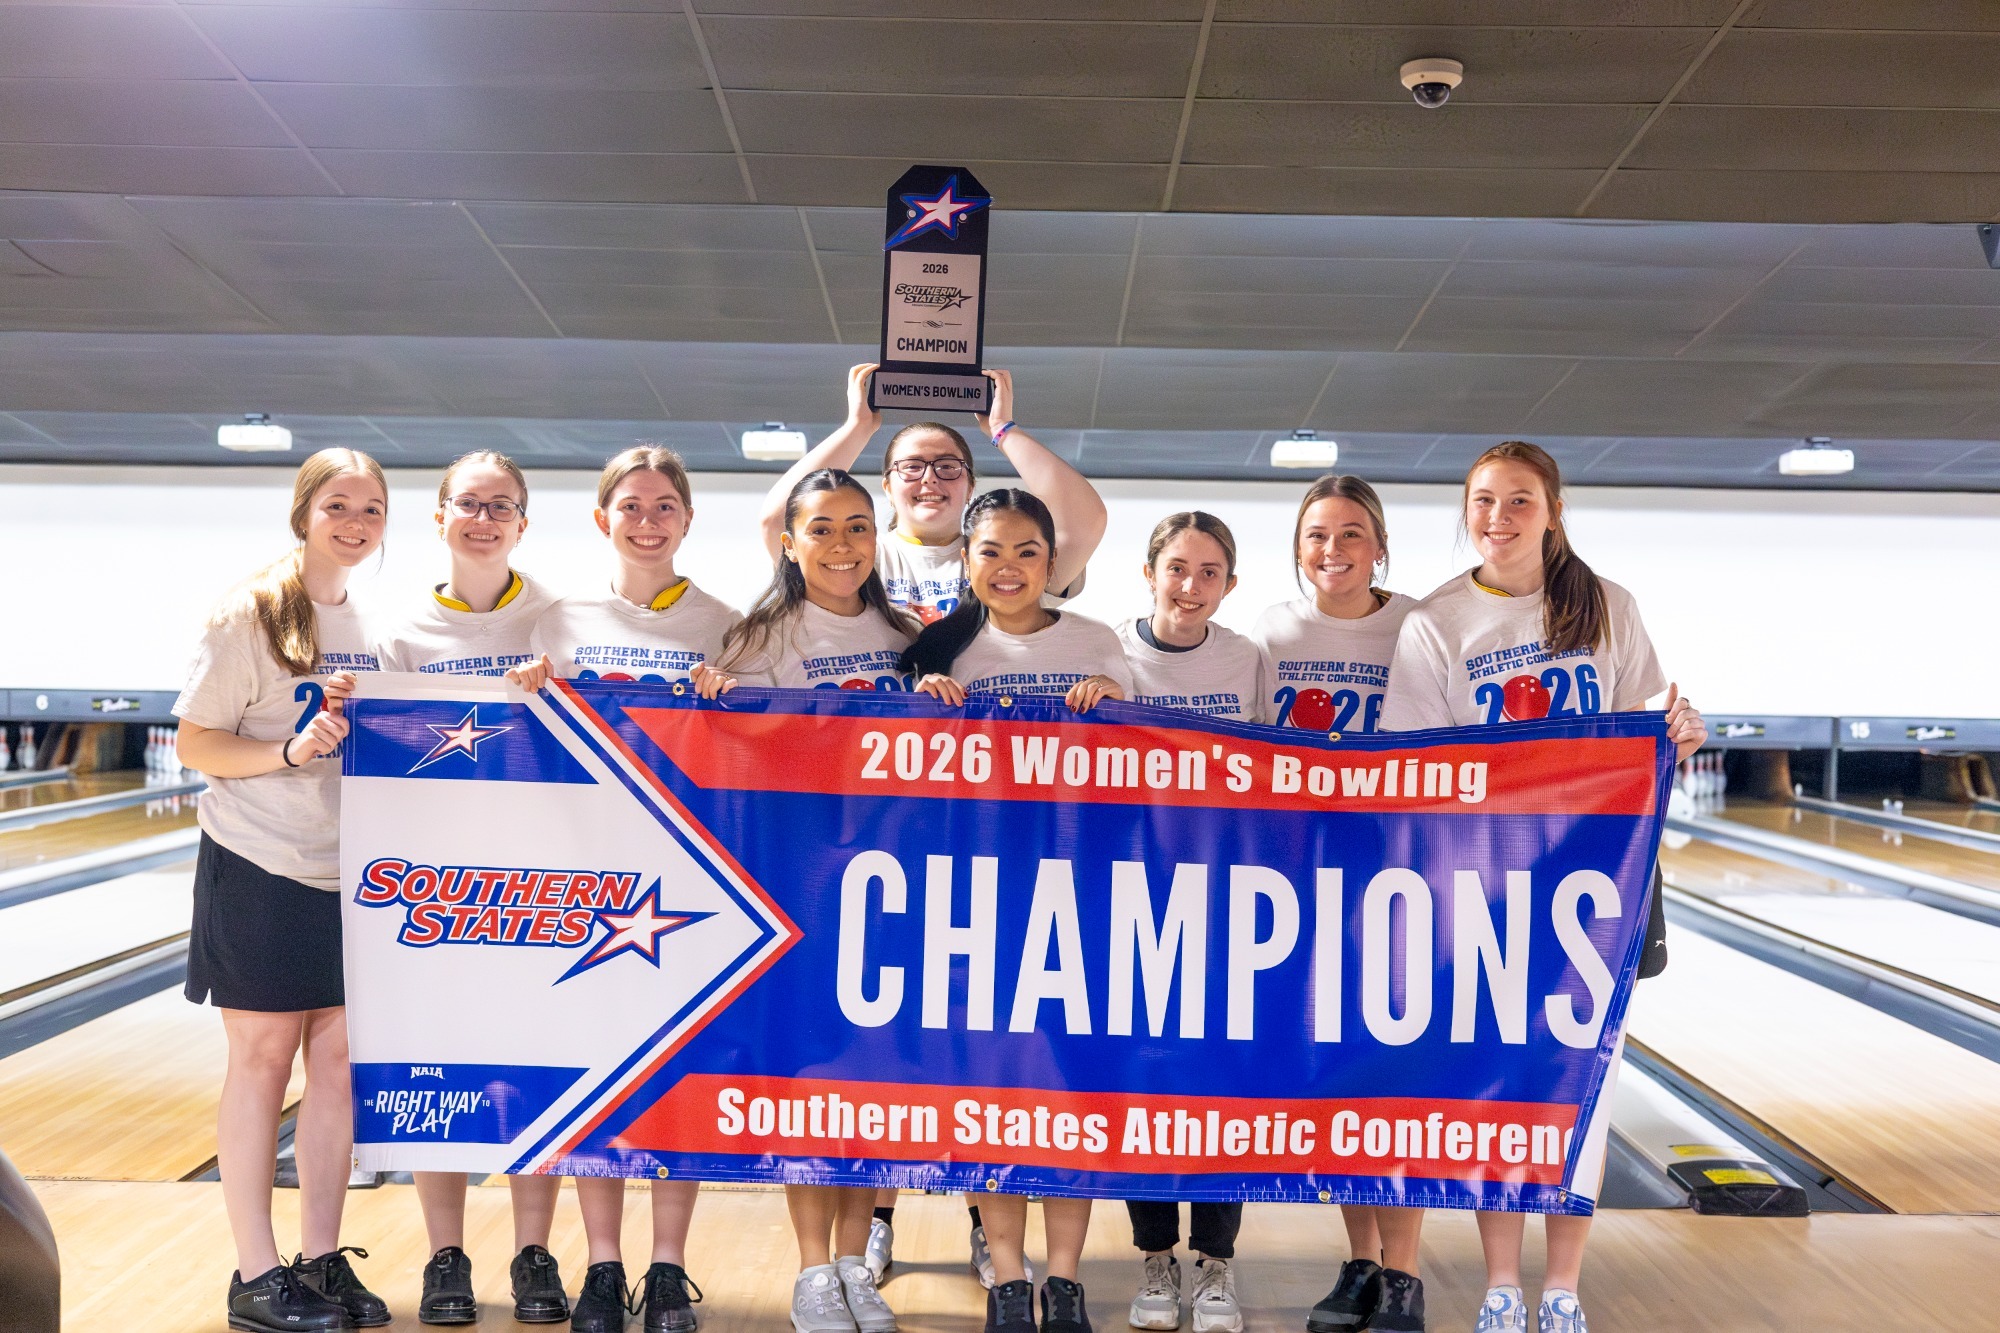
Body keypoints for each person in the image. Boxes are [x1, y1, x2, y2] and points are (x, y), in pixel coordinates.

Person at [1380, 441, 1706, 1333]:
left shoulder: (1605, 605)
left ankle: (1561, 1286)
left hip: (1601, 875)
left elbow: (1649, 720)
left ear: (1553, 510)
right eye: (1483, 500)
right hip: (1488, 887)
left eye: (1519, 500)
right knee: (1508, 1086)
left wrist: (1682, 727)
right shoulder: (1436, 620)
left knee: (1583, 1086)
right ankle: (1500, 1285)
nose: (1498, 516)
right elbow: (1418, 766)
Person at [507, 445, 738, 1333]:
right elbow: (528, 749)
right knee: (605, 1072)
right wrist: (525, 692)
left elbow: (748, 749)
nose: (648, 518)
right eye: (631, 504)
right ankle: (604, 1265)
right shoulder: (556, 621)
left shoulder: (723, 622)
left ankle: (668, 1267)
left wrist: (730, 693)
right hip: (590, 876)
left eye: (664, 505)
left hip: (690, 876)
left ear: (686, 520)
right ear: (603, 518)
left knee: (677, 1073)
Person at [898, 488, 1131, 1333]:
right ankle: (1006, 1273)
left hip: (1081, 895)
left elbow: (1155, 762)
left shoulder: (1098, 643)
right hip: (974, 901)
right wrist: (917, 705)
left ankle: (1063, 1279)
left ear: (1053, 561)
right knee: (988, 1089)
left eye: (1027, 551)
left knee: (1070, 1090)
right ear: (966, 559)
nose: (1008, 567)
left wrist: (1118, 703)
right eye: (991, 550)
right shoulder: (934, 653)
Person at [172, 448, 391, 1333]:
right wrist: (286, 753)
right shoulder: (251, 615)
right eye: (339, 504)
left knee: (335, 1067)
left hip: (349, 874)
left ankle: (319, 1258)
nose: (355, 521)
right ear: (304, 511)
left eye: (372, 509)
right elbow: (194, 742)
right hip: (260, 866)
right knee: (264, 1063)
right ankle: (256, 1273)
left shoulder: (367, 621)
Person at [715, 468, 918, 1333]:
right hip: (798, 881)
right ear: (789, 542)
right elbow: (722, 746)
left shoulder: (910, 634)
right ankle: (810, 1271)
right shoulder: (759, 636)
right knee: (808, 1077)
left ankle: (850, 1259)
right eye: (823, 528)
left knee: (871, 1075)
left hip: (894, 880)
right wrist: (711, 701)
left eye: (859, 527)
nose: (843, 544)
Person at [373, 450, 571, 1328]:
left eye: (502, 506)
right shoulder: (402, 628)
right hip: (441, 888)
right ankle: (444, 1254)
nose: (484, 518)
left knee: (549, 1060)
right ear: (441, 515)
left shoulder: (559, 620)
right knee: (436, 1067)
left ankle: (535, 1252)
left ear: (523, 522)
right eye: (469, 503)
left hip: (545, 878)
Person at [1247, 476, 1424, 1333]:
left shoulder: (1418, 624)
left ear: (1378, 546)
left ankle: (1405, 1274)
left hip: (1403, 874)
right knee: (1343, 1075)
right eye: (1317, 534)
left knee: (1396, 1074)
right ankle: (1359, 1261)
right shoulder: (1273, 631)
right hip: (1310, 879)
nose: (1332, 549)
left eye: (1351, 534)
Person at [1111, 512, 1259, 1333]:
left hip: (1228, 901)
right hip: (1131, 897)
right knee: (1147, 1078)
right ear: (1148, 572)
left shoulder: (1246, 657)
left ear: (1229, 585)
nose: (1190, 585)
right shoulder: (1110, 650)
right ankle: (1155, 1255)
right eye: (1176, 568)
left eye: (1209, 572)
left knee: (1221, 1080)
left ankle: (1215, 1261)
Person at [758, 364, 1106, 627]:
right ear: (887, 487)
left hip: (974, 725)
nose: (930, 479)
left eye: (948, 466)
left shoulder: (1006, 561)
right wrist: (857, 428)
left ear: (970, 487)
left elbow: (1083, 525)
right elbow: (778, 521)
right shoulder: (855, 555)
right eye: (911, 467)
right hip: (876, 724)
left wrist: (1004, 430)